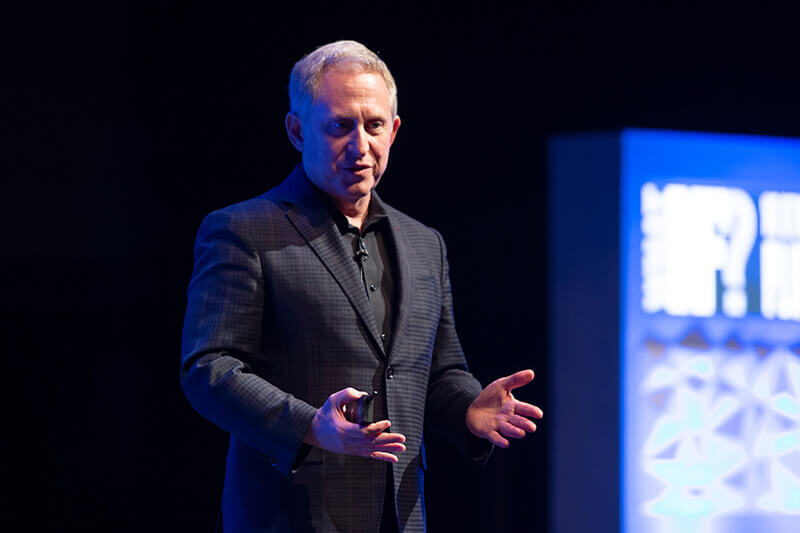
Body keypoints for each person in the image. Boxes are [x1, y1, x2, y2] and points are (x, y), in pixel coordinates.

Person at [180, 40, 543, 533]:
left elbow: (437, 372)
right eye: (338, 126)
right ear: (296, 130)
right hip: (290, 516)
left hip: (401, 516)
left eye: (373, 125)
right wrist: (310, 426)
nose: (360, 145)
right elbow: (209, 370)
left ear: (393, 130)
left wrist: (467, 409)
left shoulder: (423, 244)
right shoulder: (244, 230)